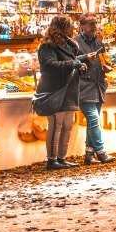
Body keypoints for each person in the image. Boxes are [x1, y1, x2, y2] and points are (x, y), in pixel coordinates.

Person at [35, 16, 85, 170]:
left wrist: (80, 65)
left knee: (68, 125)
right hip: (55, 90)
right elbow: (49, 65)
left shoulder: (69, 44)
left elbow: (71, 62)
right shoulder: (47, 46)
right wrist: (73, 63)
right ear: (63, 27)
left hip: (68, 90)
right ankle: (52, 160)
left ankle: (62, 158)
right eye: (70, 25)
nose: (73, 28)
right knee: (56, 124)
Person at [73, 14, 113, 165]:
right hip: (83, 87)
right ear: (82, 26)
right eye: (90, 23)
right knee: (94, 119)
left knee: (92, 121)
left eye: (95, 23)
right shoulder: (74, 43)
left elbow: (104, 61)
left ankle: (89, 154)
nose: (94, 26)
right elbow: (70, 61)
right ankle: (101, 152)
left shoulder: (99, 44)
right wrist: (84, 58)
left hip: (98, 86)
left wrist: (106, 67)